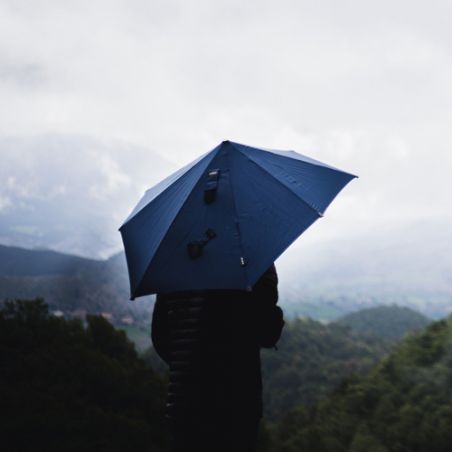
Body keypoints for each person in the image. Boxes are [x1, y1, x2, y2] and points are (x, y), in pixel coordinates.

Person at [151, 264, 284, 452]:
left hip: (183, 403)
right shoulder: (248, 260)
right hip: (235, 407)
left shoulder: (175, 262)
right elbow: (267, 332)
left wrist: (190, 363)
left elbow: (161, 338)